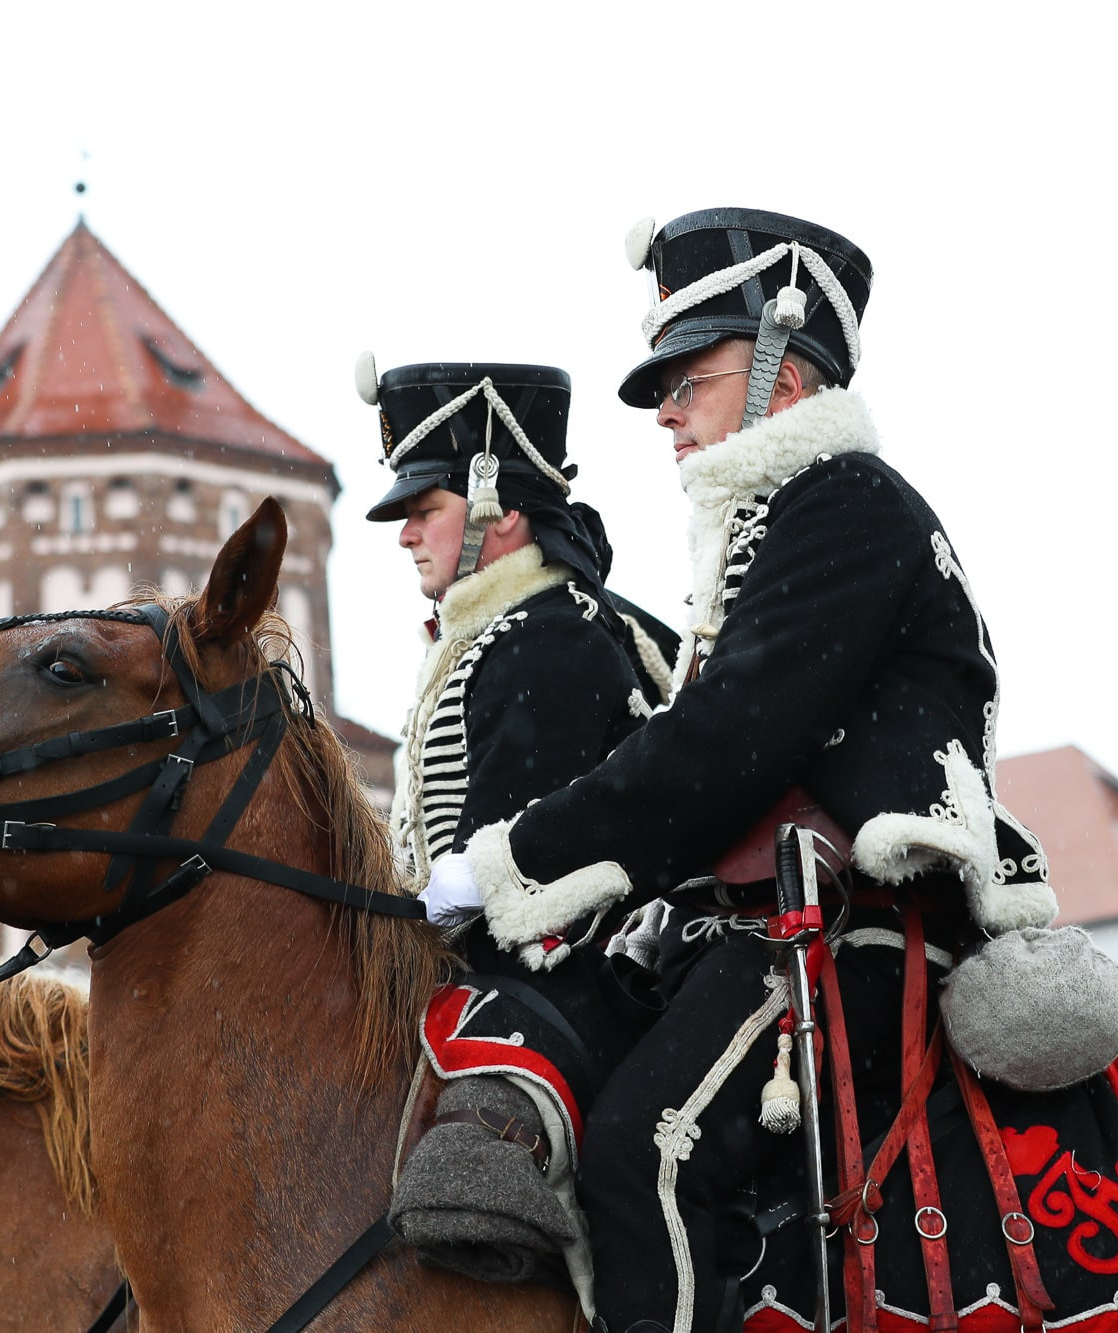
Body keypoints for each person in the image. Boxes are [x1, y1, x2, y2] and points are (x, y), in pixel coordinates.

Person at [430, 210, 1118, 1333]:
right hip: (748, 922)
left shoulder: (842, 503)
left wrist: (510, 861)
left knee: (641, 1156)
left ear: (779, 380)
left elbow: (722, 747)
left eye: (686, 378)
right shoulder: (765, 521)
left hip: (850, 916)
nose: (663, 410)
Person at [359, 358, 676, 1295]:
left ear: (502, 510)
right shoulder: (490, 632)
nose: (406, 532)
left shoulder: (556, 633)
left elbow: (528, 868)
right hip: (487, 965)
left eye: (427, 505)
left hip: (572, 975)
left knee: (621, 1167)